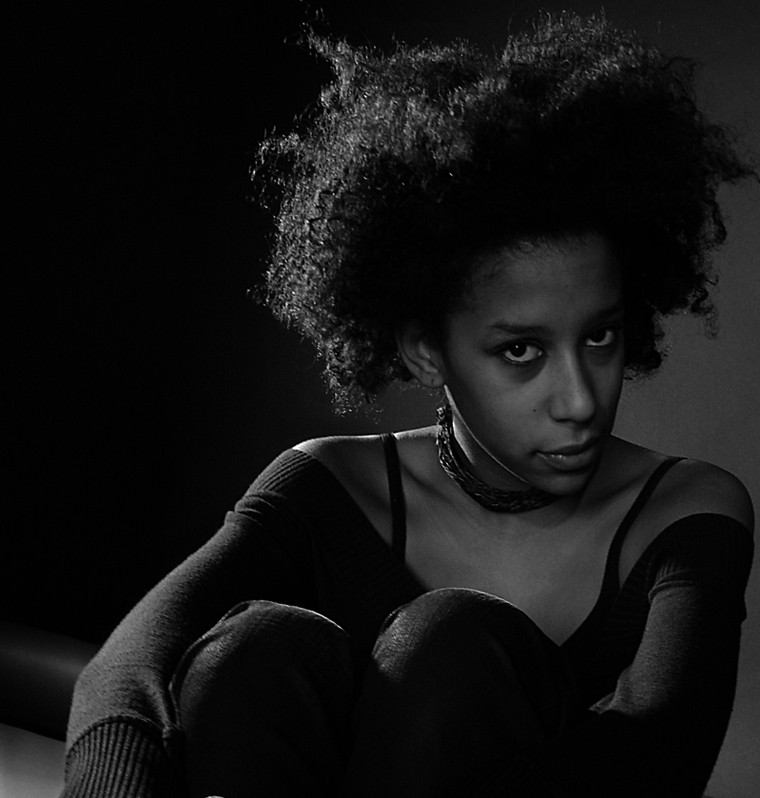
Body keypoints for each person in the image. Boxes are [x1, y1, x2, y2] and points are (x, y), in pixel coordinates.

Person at [62, 13, 755, 798]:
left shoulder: (683, 510)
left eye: (600, 337)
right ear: (426, 349)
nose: (580, 399)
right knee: (254, 650)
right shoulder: (330, 488)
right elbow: (124, 672)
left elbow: (662, 744)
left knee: (451, 640)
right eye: (521, 351)